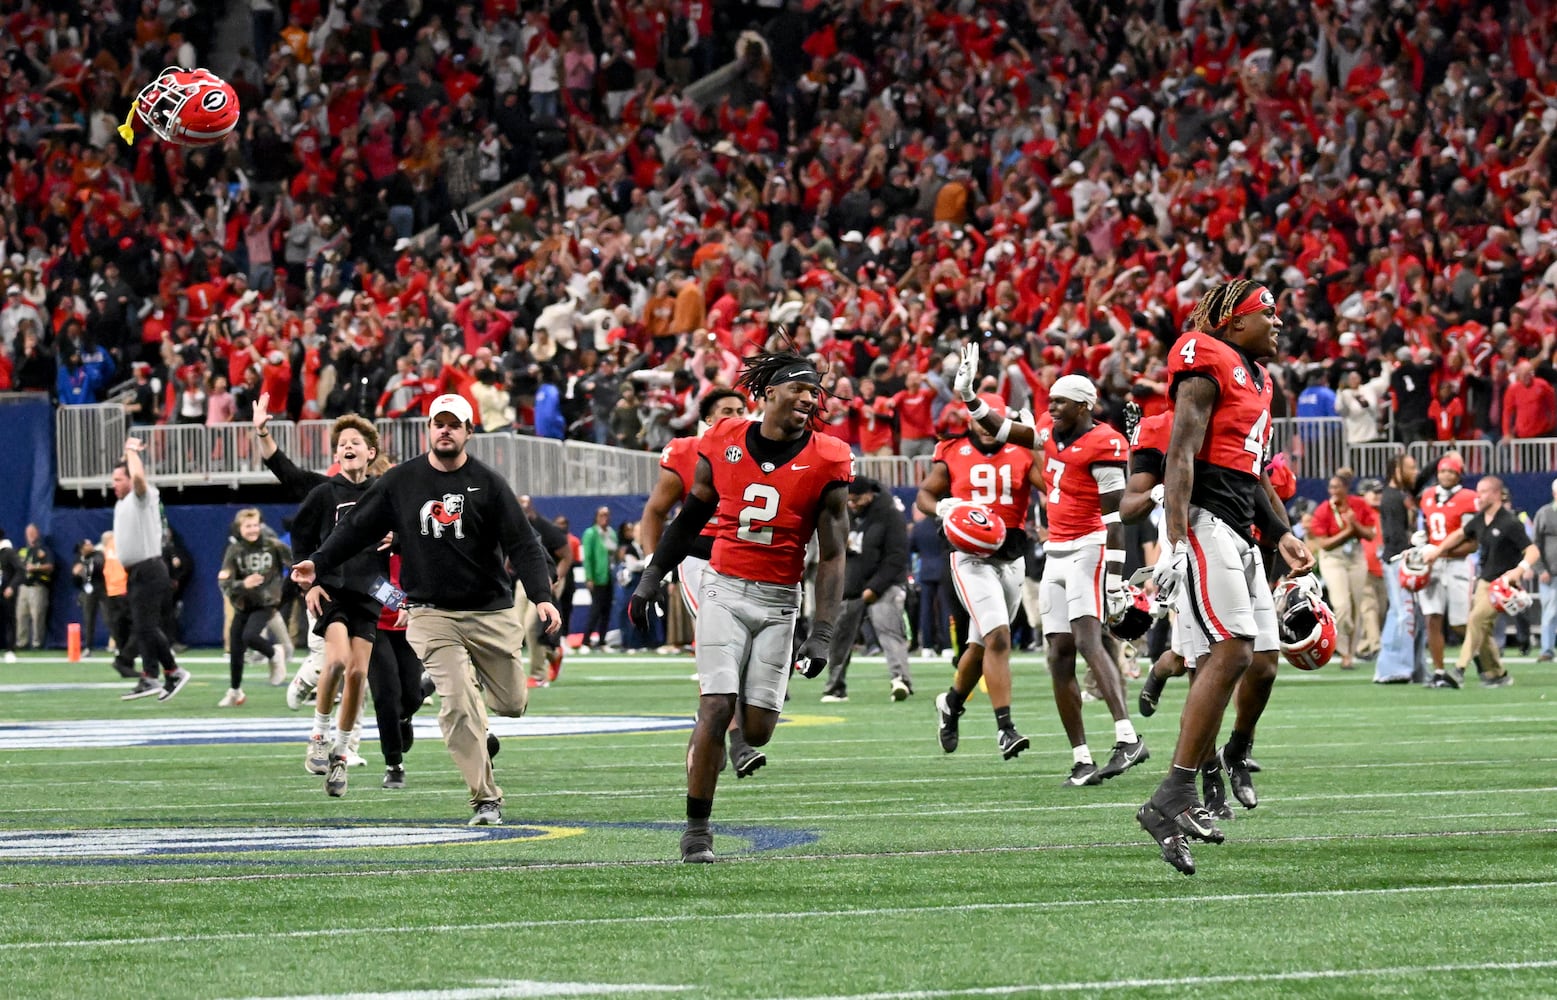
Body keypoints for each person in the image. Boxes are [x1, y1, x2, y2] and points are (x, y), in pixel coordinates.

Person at [291, 394, 562, 825]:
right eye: (440, 423)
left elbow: (523, 544)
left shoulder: (488, 483)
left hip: (489, 612)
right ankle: (485, 798)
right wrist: (318, 562)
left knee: (510, 704)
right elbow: (357, 527)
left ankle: (473, 687)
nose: (446, 430)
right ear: (429, 429)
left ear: (469, 432)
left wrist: (542, 595)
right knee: (457, 705)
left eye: (455, 424)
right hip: (429, 612)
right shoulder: (401, 481)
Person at [628, 351, 852, 862]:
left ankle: (726, 751)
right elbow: (689, 517)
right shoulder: (722, 439)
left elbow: (834, 553)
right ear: (767, 393)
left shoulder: (828, 457)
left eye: (814, 391)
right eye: (798, 388)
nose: (808, 398)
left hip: (779, 600)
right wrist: (651, 577)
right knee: (715, 704)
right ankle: (697, 830)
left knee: (756, 729)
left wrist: (822, 631)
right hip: (723, 588)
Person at [1136, 279, 1314, 875]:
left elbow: (1258, 472)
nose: (1279, 323)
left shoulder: (1260, 379)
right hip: (1207, 521)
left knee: (1262, 656)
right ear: (1235, 323)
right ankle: (1176, 792)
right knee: (1230, 650)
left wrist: (1284, 532)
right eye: (1268, 313)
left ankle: (1217, 764)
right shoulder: (1203, 353)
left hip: (1242, 527)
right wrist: (1176, 537)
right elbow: (1181, 452)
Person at [962, 363, 1146, 785]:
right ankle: (1082, 758)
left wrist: (1115, 578)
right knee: (1057, 655)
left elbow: (1116, 517)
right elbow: (1008, 430)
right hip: (1057, 552)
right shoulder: (1048, 426)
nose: (1052, 408)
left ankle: (1127, 736)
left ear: (1084, 406)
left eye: (1061, 402)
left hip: (1090, 547)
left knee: (1086, 638)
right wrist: (970, 398)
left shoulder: (1105, 442)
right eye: (1051, 402)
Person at [639, 388, 764, 776]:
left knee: (746, 655)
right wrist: (652, 566)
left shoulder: (762, 449)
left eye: (741, 409)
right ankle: (738, 741)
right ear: (708, 419)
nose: (736, 416)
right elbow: (656, 512)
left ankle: (712, 721)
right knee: (720, 645)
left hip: (745, 558)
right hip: (698, 557)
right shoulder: (685, 452)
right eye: (726, 411)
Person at [916, 388, 1038, 762]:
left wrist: (1041, 446)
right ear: (971, 417)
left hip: (1011, 557)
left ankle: (951, 704)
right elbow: (924, 495)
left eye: (994, 420)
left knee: (981, 645)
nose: (987, 427)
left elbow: (1053, 486)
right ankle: (1006, 728)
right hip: (969, 557)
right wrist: (941, 508)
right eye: (982, 420)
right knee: (999, 636)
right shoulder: (951, 451)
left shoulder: (1021, 452)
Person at [292, 415, 390, 796]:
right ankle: (318, 734)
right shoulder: (322, 493)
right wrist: (309, 585)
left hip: (369, 592)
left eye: (355, 442)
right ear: (336, 455)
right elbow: (300, 539)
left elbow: (404, 532)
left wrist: (396, 537)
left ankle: (340, 754)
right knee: (334, 661)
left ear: (371, 452)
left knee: (357, 675)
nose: (348, 447)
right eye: (341, 443)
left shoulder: (383, 493)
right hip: (331, 589)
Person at [1422, 475, 1532, 689]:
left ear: (1495, 494)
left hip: (1503, 584)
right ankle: (1497, 674)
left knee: (1474, 619)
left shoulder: (1510, 522)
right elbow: (1459, 534)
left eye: (1482, 492)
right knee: (1483, 628)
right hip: (1484, 581)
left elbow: (1532, 550)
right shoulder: (1480, 519)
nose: (1478, 496)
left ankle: (1459, 670)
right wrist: (1438, 550)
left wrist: (1520, 570)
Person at [113, 437, 193, 702]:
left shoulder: (143, 496)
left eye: (118, 479)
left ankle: (172, 671)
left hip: (150, 569)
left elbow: (138, 480)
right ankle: (151, 675)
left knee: (145, 627)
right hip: (138, 572)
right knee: (143, 626)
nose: (114, 484)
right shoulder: (123, 503)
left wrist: (131, 451)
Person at [822, 477, 913, 703]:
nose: (853, 504)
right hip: (852, 587)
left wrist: (875, 587)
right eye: (849, 500)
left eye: (857, 499)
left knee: (890, 633)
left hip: (885, 586)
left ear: (870, 494)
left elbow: (896, 556)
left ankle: (900, 680)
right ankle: (835, 686)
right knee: (839, 640)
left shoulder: (890, 515)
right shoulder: (845, 515)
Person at [216, 509, 290, 707]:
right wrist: (243, 584)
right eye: (248, 526)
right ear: (239, 529)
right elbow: (224, 581)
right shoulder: (234, 550)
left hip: (266, 602)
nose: (253, 529)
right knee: (236, 647)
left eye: (255, 525)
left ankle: (274, 653)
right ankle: (235, 691)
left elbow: (295, 562)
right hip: (243, 603)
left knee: (249, 636)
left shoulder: (272, 545)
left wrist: (292, 585)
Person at [1307, 470, 1379, 669]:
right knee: (1342, 605)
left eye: (1337, 487)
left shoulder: (1359, 505)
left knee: (1357, 604)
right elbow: (1325, 544)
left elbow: (1371, 535)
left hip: (1355, 555)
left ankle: (1350, 653)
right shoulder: (1323, 510)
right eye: (1331, 487)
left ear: (1346, 488)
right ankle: (1343, 648)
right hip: (1333, 559)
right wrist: (1349, 530)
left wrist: (1355, 524)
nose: (1334, 491)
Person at [1418, 454, 1478, 685]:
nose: (1446, 475)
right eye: (1443, 471)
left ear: (1459, 475)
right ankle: (1439, 671)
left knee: (1460, 622)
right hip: (1433, 563)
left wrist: (1440, 551)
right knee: (1432, 618)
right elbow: (1425, 526)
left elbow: (1471, 542)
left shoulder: (1468, 498)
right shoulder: (1428, 496)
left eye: (1451, 472)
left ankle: (1486, 661)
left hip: (1456, 563)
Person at [1374, 453, 1424, 683]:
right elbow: (1393, 534)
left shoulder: (1397, 495)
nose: (1415, 472)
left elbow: (1421, 480)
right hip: (1397, 561)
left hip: (1399, 559)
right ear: (1397, 470)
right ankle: (1391, 669)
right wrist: (1410, 545)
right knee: (1403, 614)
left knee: (1410, 615)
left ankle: (1414, 667)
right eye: (1410, 468)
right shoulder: (1392, 498)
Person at [908, 506, 948, 658]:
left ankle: (927, 645)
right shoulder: (944, 525)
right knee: (945, 610)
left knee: (926, 610)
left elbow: (911, 547)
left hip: (925, 571)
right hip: (944, 570)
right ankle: (947, 646)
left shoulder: (919, 527)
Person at [580, 506, 617, 649]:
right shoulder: (591, 533)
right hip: (597, 577)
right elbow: (587, 557)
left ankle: (602, 640)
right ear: (596, 516)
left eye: (607, 515)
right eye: (602, 515)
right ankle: (586, 640)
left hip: (610, 576)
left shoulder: (612, 533)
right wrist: (589, 577)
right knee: (595, 609)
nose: (605, 518)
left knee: (607, 609)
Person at [1530, 479, 1557, 663]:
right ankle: (1547, 650)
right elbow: (1535, 544)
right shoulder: (1544, 513)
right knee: (1549, 613)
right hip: (1551, 573)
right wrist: (1540, 569)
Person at [15, 523, 53, 651]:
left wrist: (36, 568)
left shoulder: (44, 550)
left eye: (33, 532)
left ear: (37, 533)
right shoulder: (22, 550)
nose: (30, 535)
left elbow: (50, 566)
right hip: (23, 587)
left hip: (37, 587)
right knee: (21, 615)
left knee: (37, 616)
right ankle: (22, 642)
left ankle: (37, 643)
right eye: (28, 533)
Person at [72, 539, 107, 655]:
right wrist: (76, 574)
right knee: (88, 620)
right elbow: (76, 581)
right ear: (82, 548)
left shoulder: (98, 554)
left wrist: (84, 567)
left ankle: (119, 645)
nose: (90, 546)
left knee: (109, 618)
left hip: (102, 591)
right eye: (87, 545)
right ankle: (88, 647)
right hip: (88, 592)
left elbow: (98, 565)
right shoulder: (79, 559)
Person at [0, 528, 20, 663]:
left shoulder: (9, 553)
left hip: (6, 592)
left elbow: (21, 570)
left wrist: (11, 587)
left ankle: (10, 650)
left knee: (9, 620)